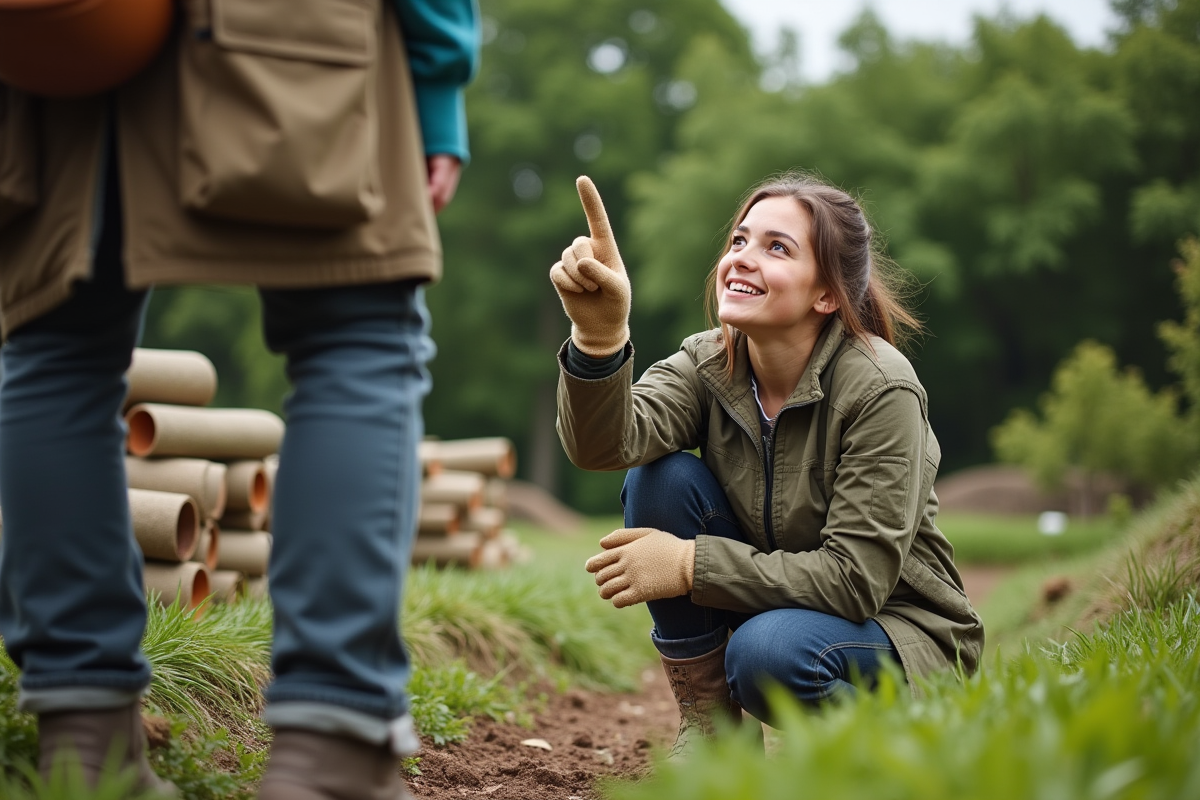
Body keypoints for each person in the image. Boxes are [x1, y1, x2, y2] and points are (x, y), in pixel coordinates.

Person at [0, 1, 478, 797]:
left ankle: (84, 745)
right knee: (354, 334)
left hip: (63, 36)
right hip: (299, 34)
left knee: (56, 347)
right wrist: (436, 78)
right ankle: (333, 750)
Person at [550, 174, 984, 757]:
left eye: (776, 248)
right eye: (738, 241)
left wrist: (688, 563)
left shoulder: (882, 388)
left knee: (766, 653)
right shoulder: (707, 362)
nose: (742, 260)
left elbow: (854, 581)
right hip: (782, 605)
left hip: (900, 630)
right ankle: (714, 733)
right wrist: (598, 337)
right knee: (661, 478)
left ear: (826, 294)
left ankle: (902, 746)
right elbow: (605, 447)